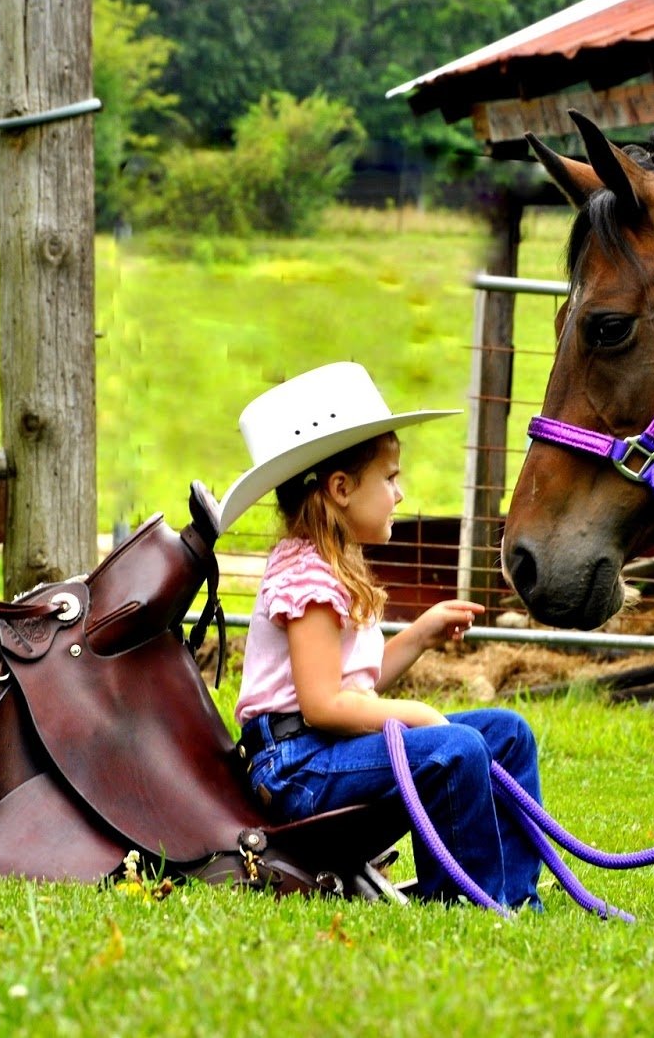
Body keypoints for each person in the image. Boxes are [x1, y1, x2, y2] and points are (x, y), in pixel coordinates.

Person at [217, 362, 544, 909]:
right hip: (299, 767)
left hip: (329, 750)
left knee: (507, 734)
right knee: (453, 747)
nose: (400, 492)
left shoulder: (333, 563)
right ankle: (466, 903)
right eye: (390, 478)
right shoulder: (307, 576)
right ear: (341, 488)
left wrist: (416, 637)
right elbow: (323, 706)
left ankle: (513, 898)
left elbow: (353, 688)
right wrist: (411, 713)